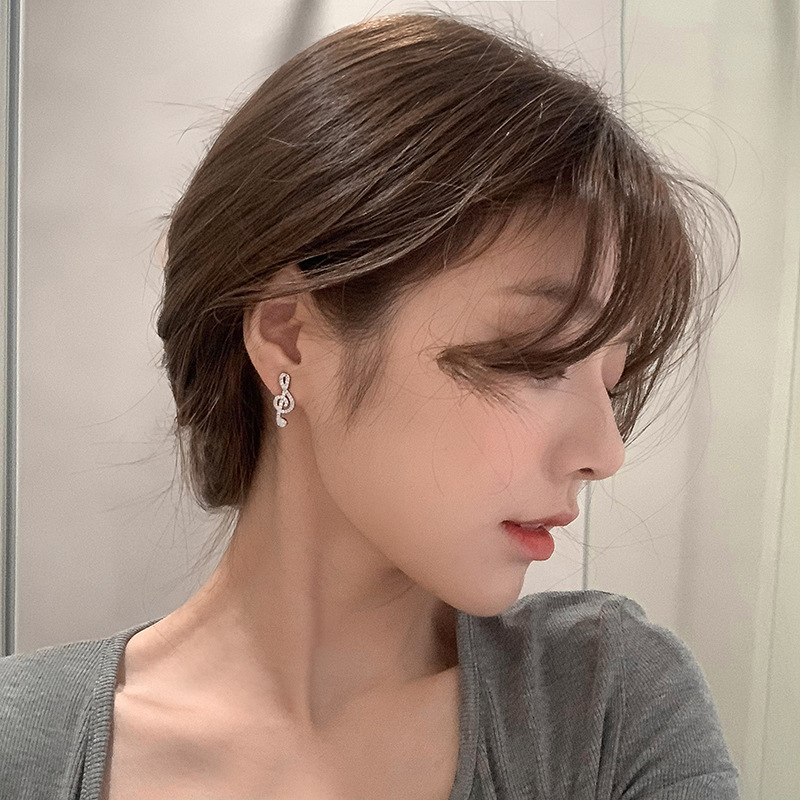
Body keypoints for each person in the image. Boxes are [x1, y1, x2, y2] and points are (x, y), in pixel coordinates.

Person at [1, 10, 741, 800]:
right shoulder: (25, 748)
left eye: (613, 379)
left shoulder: (602, 707)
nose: (605, 450)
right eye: (535, 357)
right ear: (290, 337)